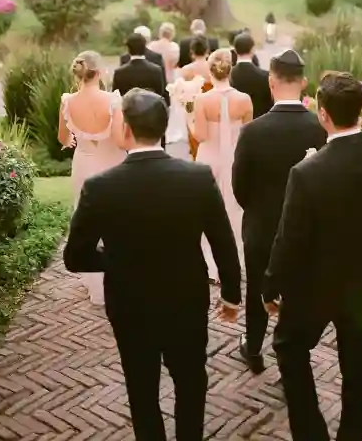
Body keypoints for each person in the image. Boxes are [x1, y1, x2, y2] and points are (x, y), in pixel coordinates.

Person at [63, 89, 241, 441]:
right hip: (186, 300)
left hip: (129, 304)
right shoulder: (197, 177)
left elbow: (75, 257)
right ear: (162, 129)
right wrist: (231, 296)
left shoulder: (101, 187)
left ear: (126, 130)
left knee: (141, 388)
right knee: (191, 381)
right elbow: (223, 241)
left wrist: (116, 261)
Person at [263, 72, 362, 441]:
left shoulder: (306, 172)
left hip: (315, 290)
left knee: (288, 346)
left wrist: (271, 285)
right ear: (360, 109)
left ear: (322, 114)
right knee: (359, 374)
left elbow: (289, 239)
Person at [232, 49, 327, 373]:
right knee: (298, 291)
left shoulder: (253, 131)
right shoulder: (320, 128)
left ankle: (254, 348)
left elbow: (239, 186)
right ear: (302, 82)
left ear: (271, 81)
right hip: (305, 231)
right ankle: (292, 356)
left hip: (261, 227)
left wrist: (258, 211)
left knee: (257, 286)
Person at [58, 50, 126, 306]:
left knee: (87, 220)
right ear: (99, 72)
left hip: (84, 164)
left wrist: (80, 139)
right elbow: (120, 140)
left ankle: (94, 285)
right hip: (112, 165)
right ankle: (117, 277)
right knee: (116, 221)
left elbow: (63, 139)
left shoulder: (67, 101)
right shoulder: (113, 101)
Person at [190, 49, 253, 281]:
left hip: (210, 159)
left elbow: (201, 136)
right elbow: (248, 135)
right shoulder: (244, 99)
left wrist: (190, 121)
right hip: (235, 159)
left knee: (208, 210)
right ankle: (236, 260)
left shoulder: (202, 99)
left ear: (210, 71)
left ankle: (210, 262)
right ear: (230, 70)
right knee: (235, 209)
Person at [149, 22, 184, 144]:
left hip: (154, 77)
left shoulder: (152, 46)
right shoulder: (174, 47)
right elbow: (174, 64)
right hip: (169, 77)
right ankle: (169, 131)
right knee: (169, 106)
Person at [113, 33, 168, 105]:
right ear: (145, 47)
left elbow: (116, 97)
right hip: (151, 111)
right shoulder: (156, 70)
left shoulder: (119, 73)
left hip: (128, 113)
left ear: (128, 49)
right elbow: (160, 95)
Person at [182, 36, 213, 160]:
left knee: (194, 135)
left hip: (193, 108)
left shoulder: (186, 70)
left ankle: (197, 158)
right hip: (212, 106)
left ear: (192, 52)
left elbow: (184, 93)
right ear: (207, 51)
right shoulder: (213, 68)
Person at [230, 32, 273, 119]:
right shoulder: (265, 76)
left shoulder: (229, 76)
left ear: (234, 50)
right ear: (253, 50)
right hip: (259, 124)